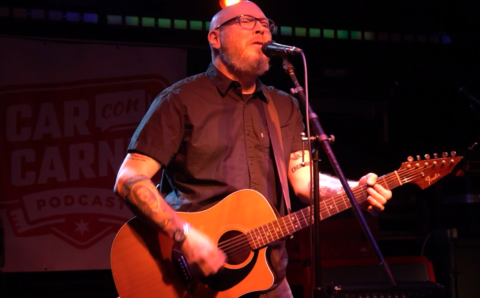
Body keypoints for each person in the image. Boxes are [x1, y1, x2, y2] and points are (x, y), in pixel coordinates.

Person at [113, 1, 392, 297]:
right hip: (191, 276)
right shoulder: (180, 100)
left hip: (268, 275)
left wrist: (356, 191)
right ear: (214, 38)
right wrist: (185, 236)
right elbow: (129, 180)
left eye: (265, 24)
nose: (261, 28)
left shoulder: (284, 105)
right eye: (245, 21)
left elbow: (303, 181)